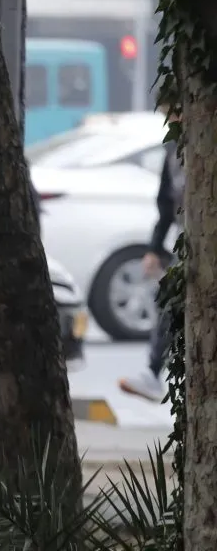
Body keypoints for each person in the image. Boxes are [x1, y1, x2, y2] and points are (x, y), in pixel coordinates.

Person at [119, 111, 183, 403]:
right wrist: (154, 249)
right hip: (187, 240)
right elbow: (165, 205)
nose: (174, 117)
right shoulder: (173, 148)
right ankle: (153, 372)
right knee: (168, 296)